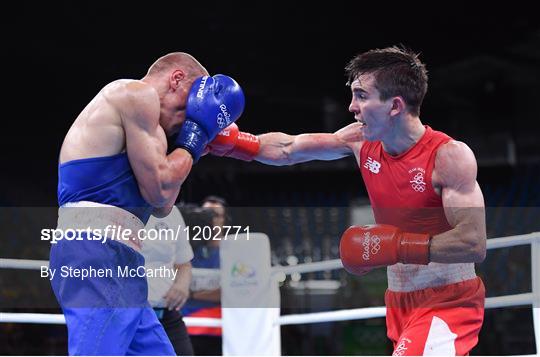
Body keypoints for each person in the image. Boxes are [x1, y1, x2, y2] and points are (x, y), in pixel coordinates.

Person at [206, 46, 486, 356]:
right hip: (399, 298)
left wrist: (400, 245)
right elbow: (289, 148)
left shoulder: (448, 156)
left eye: (362, 96)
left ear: (394, 105)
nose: (352, 107)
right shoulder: (360, 140)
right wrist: (234, 144)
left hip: (448, 300)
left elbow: (474, 242)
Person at [49, 52, 245, 355]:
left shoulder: (153, 132)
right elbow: (161, 187)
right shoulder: (135, 94)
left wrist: (187, 144)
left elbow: (163, 205)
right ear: (176, 79)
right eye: (185, 109)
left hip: (123, 258)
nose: (184, 121)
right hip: (96, 249)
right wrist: (196, 138)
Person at [142, 206, 194, 356]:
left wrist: (182, 285)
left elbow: (184, 263)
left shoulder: (172, 212)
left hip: (166, 315)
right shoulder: (115, 205)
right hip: (125, 316)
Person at [181, 196, 228, 356]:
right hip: (183, 324)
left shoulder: (233, 251)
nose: (210, 219)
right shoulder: (187, 249)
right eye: (205, 213)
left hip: (214, 327)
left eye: (215, 214)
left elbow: (228, 292)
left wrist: (190, 293)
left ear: (224, 220)